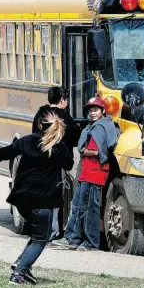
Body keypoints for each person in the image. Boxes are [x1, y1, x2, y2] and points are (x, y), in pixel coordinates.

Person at [0, 112, 73, 285]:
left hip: (22, 200)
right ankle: (19, 273)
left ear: (40, 125)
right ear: (58, 129)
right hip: (43, 200)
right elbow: (69, 164)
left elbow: (5, 153)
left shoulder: (27, 141)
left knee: (39, 233)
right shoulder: (58, 147)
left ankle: (21, 262)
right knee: (42, 238)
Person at [52, 96, 118, 251]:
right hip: (88, 171)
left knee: (88, 207)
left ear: (102, 111)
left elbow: (96, 151)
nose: (92, 113)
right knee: (80, 205)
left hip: (94, 171)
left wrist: (83, 151)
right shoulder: (96, 126)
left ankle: (88, 242)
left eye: (95, 110)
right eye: (90, 110)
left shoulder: (99, 128)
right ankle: (74, 239)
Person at [31, 86, 80, 241]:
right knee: (56, 198)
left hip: (39, 161)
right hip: (57, 163)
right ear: (63, 100)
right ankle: (53, 231)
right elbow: (75, 139)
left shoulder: (40, 114)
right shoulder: (65, 118)